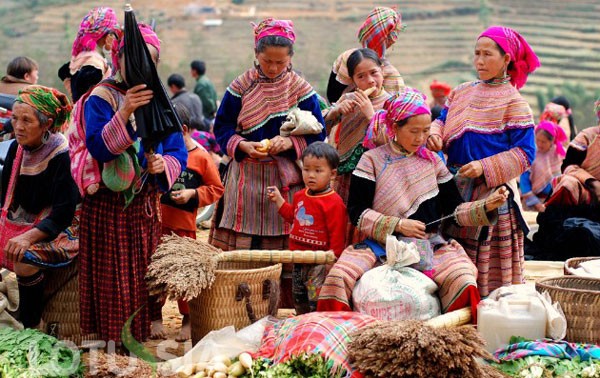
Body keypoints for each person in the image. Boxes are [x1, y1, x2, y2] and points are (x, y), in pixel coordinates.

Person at [317, 89, 508, 318]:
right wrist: (398, 225)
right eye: (414, 131)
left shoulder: (433, 162)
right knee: (339, 277)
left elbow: (454, 210)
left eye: (426, 131)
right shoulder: (371, 160)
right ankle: (339, 331)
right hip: (380, 246)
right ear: (395, 127)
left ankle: (453, 336)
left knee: (463, 278)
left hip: (429, 244)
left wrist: (487, 206)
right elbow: (357, 212)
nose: (420, 138)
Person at [78, 23, 187, 346]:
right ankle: (111, 336)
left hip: (143, 203)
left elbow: (177, 149)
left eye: (150, 61)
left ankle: (142, 329)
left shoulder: (158, 98)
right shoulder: (100, 97)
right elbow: (97, 147)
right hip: (109, 203)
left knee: (143, 268)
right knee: (112, 274)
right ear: (118, 58)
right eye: (135, 60)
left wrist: (161, 163)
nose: (142, 68)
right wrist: (125, 110)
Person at [209, 18, 326, 307]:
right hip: (245, 180)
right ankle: (236, 307)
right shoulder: (240, 87)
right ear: (256, 54)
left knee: (284, 246)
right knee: (244, 247)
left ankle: (279, 306)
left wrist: (292, 143)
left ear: (290, 59)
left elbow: (319, 134)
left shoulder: (301, 90)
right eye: (267, 61)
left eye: (280, 62)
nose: (273, 68)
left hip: (284, 180)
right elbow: (221, 128)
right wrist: (242, 145)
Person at [427, 26, 539, 297]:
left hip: (492, 196)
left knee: (490, 277)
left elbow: (525, 153)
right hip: (453, 191)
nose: (479, 61)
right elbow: (441, 121)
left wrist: (484, 166)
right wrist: (433, 134)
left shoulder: (515, 103)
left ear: (507, 59)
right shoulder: (461, 92)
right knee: (452, 263)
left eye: (487, 54)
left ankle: (488, 314)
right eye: (476, 53)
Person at [0, 85, 78, 329]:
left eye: (26, 120)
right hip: (23, 222)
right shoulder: (16, 148)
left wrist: (27, 238)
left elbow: (64, 213)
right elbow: (4, 198)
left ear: (47, 123)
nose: (18, 126)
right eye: (14, 118)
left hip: (61, 229)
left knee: (24, 259)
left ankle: (30, 326)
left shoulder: (62, 154)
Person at [153, 102, 224, 341]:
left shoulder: (201, 158)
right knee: (155, 273)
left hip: (184, 227)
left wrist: (193, 195)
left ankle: (188, 319)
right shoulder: (160, 153)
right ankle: (155, 317)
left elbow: (216, 188)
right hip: (157, 225)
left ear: (183, 130)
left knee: (185, 274)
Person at [267, 141, 347, 314]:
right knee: (299, 296)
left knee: (315, 299)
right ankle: (300, 325)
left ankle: (313, 326)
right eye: (306, 169)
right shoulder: (299, 196)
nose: (311, 175)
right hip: (298, 259)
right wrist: (279, 200)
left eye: (318, 171)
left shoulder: (334, 203)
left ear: (332, 174)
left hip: (318, 261)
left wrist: (332, 261)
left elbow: (337, 234)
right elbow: (293, 216)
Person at [533, 100, 600, 260]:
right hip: (584, 188)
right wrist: (593, 183)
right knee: (567, 183)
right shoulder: (588, 136)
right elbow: (568, 166)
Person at [325, 48, 393, 204]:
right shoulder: (348, 98)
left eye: (374, 73)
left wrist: (371, 115)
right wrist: (336, 111)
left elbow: (391, 142)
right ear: (353, 80)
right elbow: (323, 129)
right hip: (347, 175)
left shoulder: (392, 103)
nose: (369, 80)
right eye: (361, 76)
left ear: (382, 71)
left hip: (377, 174)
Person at [327, 6, 405, 104]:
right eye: (393, 34)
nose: (370, 80)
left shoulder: (346, 58)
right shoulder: (390, 72)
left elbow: (332, 96)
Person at [69, 6, 119, 102]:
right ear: (108, 36)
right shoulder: (94, 65)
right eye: (114, 33)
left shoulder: (83, 56)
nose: (114, 38)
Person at [519, 121, 566, 212]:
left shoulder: (559, 154)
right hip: (534, 204)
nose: (539, 144)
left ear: (552, 141)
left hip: (556, 203)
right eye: (537, 140)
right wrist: (537, 204)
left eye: (543, 142)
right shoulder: (530, 155)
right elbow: (524, 182)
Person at [190, 60, 218, 127]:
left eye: (191, 69)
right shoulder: (206, 80)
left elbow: (207, 102)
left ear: (195, 71)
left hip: (206, 117)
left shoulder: (201, 84)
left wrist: (212, 112)